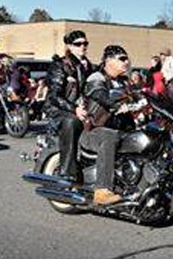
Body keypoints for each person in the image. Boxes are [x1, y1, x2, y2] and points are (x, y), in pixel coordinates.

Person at [81, 45, 131, 205]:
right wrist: (114, 105)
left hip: (118, 128)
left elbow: (142, 94)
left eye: (127, 58)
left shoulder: (123, 82)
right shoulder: (96, 77)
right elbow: (100, 95)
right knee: (109, 137)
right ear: (109, 60)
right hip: (92, 130)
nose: (127, 62)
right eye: (122, 58)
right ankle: (102, 191)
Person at [44, 30, 93, 183]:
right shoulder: (60, 65)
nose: (82, 47)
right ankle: (67, 173)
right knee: (72, 122)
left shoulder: (88, 66)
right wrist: (74, 109)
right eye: (78, 44)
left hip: (82, 109)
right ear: (69, 46)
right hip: (60, 111)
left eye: (85, 43)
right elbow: (54, 96)